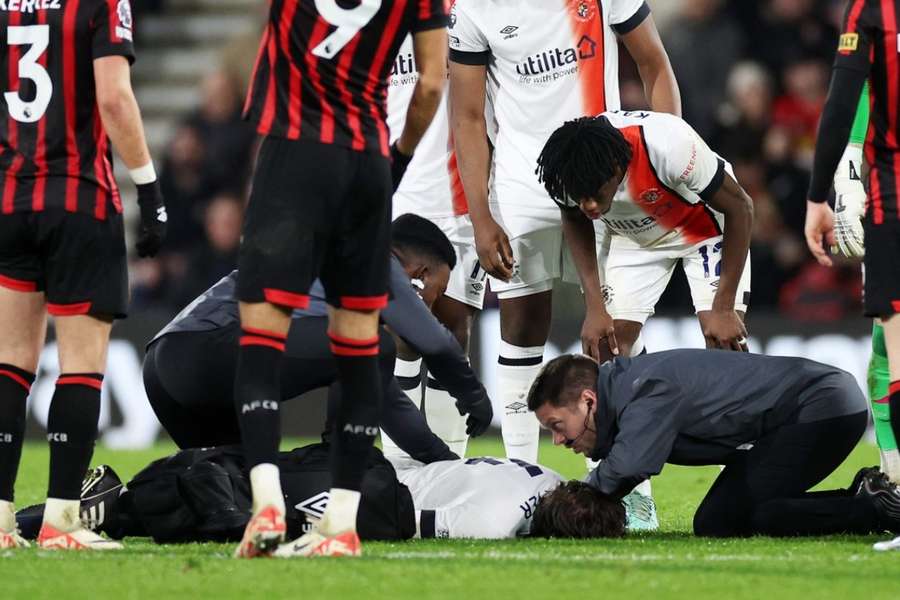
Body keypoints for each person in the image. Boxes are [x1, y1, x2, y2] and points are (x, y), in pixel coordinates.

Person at [236, 0, 449, 558]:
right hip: (366, 163)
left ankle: (266, 503)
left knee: (261, 341)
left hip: (295, 154)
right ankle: (342, 523)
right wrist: (396, 158)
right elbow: (430, 83)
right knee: (358, 349)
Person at [449, 0, 680, 467]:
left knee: (615, 332)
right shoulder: (472, 8)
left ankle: (626, 481)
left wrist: (664, 153)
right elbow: (468, 116)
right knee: (520, 329)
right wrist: (481, 218)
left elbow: (654, 63)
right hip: (519, 189)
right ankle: (521, 472)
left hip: (599, 181)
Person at [0, 0, 166, 551]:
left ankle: (0, 520)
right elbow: (114, 98)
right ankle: (61, 519)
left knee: (10, 364)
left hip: (10, 196)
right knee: (81, 366)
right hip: (78, 200)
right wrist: (149, 187)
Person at [143, 214, 492, 465]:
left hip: (164, 368)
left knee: (229, 488)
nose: (431, 305)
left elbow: (385, 402)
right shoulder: (369, 259)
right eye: (437, 292)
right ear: (420, 275)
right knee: (371, 344)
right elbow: (434, 342)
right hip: (204, 353)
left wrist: (442, 461)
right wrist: (473, 395)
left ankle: (126, 508)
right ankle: (333, 460)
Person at [527, 352, 900, 538]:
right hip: (809, 408)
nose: (559, 440)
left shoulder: (642, 390)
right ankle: (863, 496)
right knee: (726, 516)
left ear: (589, 400)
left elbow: (625, 467)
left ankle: (874, 509)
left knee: (732, 518)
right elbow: (621, 469)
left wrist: (565, 505)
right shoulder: (630, 386)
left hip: (819, 408)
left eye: (557, 426)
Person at [15, 448, 630, 544]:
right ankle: (118, 507)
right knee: (238, 511)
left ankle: (115, 503)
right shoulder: (500, 526)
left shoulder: (545, 475)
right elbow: (416, 527)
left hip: (372, 468)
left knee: (242, 467)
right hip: (381, 502)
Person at [536, 112, 753, 356]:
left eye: (595, 194)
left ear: (616, 168)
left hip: (703, 230)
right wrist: (594, 307)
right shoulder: (566, 167)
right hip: (632, 237)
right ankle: (645, 391)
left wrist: (723, 307)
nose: (589, 207)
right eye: (581, 198)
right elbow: (574, 219)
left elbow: (741, 208)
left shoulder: (668, 146)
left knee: (723, 343)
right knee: (606, 347)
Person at [804, 0, 900, 550]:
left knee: (892, 352)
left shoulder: (871, 10)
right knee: (885, 355)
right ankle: (894, 472)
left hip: (888, 197)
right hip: (875, 185)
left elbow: (847, 97)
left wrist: (831, 186)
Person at [386, 32, 484, 459]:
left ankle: (453, 465)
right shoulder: (370, 17)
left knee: (455, 328)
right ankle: (400, 469)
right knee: (398, 333)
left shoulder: (465, 14)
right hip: (393, 189)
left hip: (459, 198)